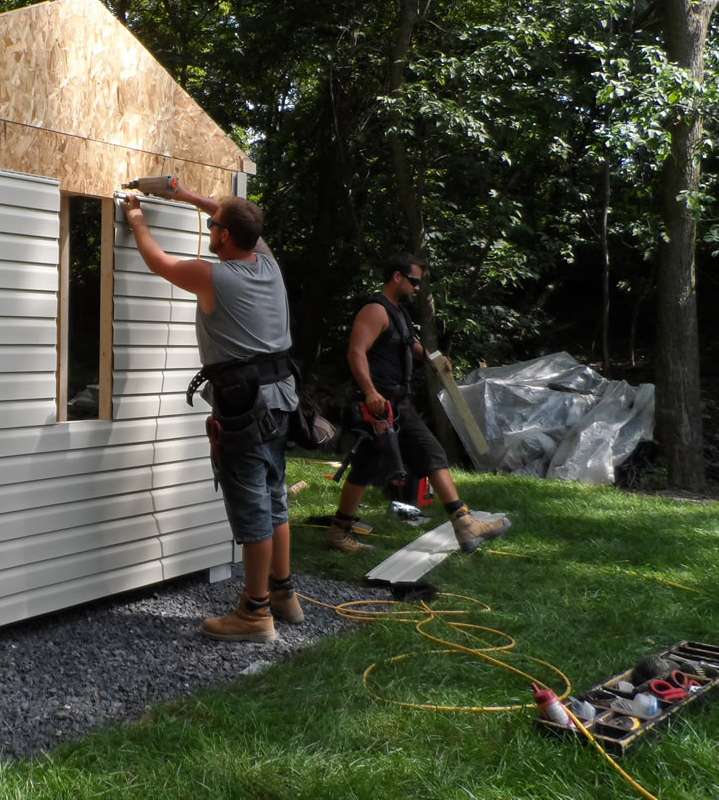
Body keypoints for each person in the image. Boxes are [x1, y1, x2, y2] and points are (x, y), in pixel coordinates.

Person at [122, 183, 303, 642]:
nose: (209, 227)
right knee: (275, 496)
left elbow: (157, 261)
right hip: (281, 398)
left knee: (254, 506)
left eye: (212, 225)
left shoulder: (216, 277)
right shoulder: (267, 263)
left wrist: (137, 217)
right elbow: (237, 218)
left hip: (245, 407)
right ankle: (284, 594)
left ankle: (255, 613)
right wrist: (183, 194)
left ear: (223, 237)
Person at [329, 253, 511, 554]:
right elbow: (356, 353)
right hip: (379, 406)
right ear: (396, 277)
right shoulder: (375, 310)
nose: (417, 288)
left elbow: (405, 343)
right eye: (413, 281)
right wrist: (371, 392)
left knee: (419, 456)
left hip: (400, 405)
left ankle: (463, 524)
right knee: (379, 464)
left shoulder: (398, 312)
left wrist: (431, 357)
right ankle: (340, 532)